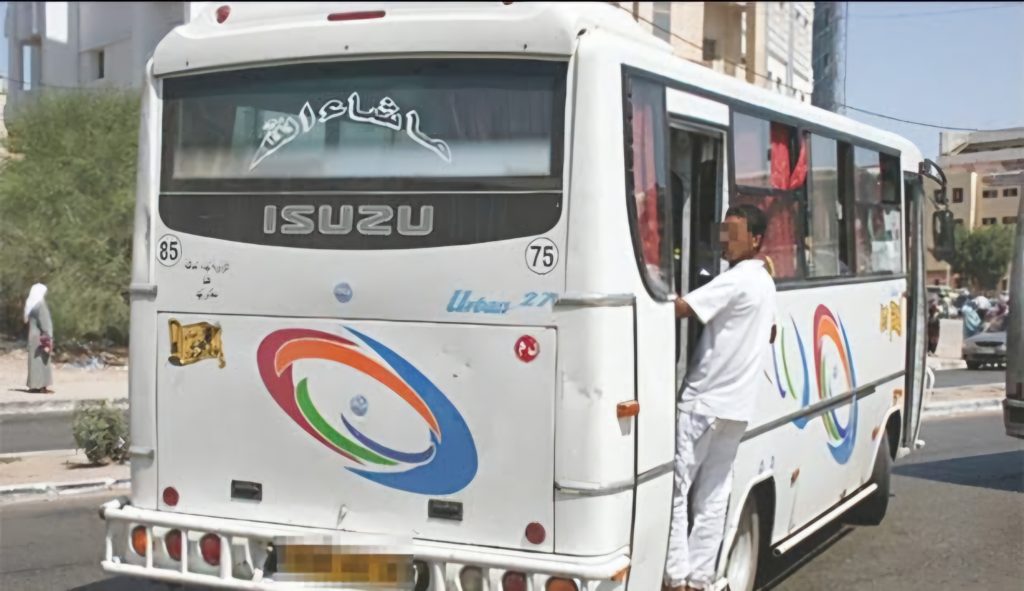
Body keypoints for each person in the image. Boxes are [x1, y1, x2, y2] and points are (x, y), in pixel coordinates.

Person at [664, 204, 777, 591]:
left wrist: (649, 293)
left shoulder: (737, 279)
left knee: (677, 490)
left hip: (703, 403)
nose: (725, 241)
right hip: (737, 407)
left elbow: (682, 309)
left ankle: (675, 577)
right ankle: (699, 578)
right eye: (723, 232)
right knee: (713, 495)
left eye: (734, 233)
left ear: (756, 239)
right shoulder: (765, 282)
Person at [24, 283, 54, 394]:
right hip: (41, 337)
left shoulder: (31, 304)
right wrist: (48, 338)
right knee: (42, 362)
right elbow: (45, 323)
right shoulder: (40, 305)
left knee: (34, 362)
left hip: (32, 336)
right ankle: (41, 386)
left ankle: (34, 385)